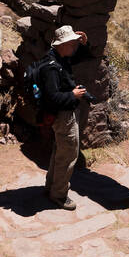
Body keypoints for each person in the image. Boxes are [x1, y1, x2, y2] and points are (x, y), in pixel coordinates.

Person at [37, 25, 89, 211]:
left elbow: (79, 57)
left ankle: (51, 187)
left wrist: (83, 44)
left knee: (60, 151)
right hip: (63, 115)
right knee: (68, 155)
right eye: (72, 43)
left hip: (62, 114)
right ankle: (59, 195)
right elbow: (53, 97)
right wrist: (73, 95)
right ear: (62, 44)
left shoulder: (58, 57)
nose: (74, 46)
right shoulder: (52, 68)